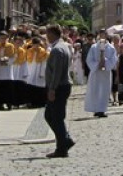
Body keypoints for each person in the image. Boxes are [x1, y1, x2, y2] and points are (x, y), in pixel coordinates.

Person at [43, 24, 76, 158]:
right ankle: (65, 140)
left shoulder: (57, 49)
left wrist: (52, 89)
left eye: (47, 34)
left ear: (52, 34)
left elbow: (56, 72)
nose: (46, 36)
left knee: (55, 117)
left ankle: (62, 147)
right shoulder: (64, 46)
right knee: (52, 116)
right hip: (62, 85)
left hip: (59, 87)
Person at [84, 29, 117, 117]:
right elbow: (89, 59)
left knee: (104, 91)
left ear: (106, 35)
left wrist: (105, 63)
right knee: (95, 90)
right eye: (101, 34)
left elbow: (113, 60)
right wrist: (97, 65)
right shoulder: (94, 47)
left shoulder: (111, 48)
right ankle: (95, 109)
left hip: (105, 73)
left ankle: (102, 109)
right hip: (96, 72)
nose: (102, 36)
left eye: (104, 34)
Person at [0, 31, 16, 111]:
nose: (3, 40)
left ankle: (9, 103)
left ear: (7, 38)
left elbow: (13, 57)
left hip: (7, 70)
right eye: (2, 38)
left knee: (8, 87)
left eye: (5, 38)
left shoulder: (11, 46)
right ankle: (0, 103)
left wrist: (6, 61)